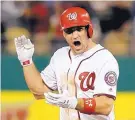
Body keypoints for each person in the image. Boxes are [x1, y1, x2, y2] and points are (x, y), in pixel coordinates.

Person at [14, 7, 119, 120]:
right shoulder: (60, 56)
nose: (74, 35)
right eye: (69, 31)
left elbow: (106, 106)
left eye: (79, 29)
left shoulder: (105, 59)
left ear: (89, 30)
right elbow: (39, 92)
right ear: (63, 34)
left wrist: (74, 103)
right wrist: (26, 61)